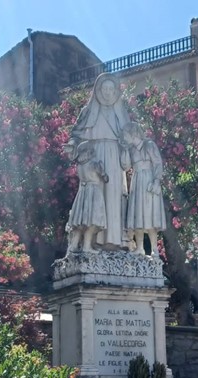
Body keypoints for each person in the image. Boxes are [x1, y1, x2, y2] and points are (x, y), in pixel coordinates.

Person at [70, 73, 131, 249]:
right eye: (105, 89)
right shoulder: (88, 111)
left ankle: (113, 240)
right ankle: (91, 241)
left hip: (114, 155)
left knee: (113, 196)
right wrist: (73, 145)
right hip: (93, 155)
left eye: (111, 89)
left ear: (115, 91)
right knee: (94, 198)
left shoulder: (121, 112)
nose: (108, 92)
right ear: (98, 90)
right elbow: (75, 134)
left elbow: (129, 135)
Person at [121, 122, 166, 256]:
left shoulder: (149, 145)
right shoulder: (131, 149)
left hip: (148, 180)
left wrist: (156, 180)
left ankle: (154, 249)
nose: (124, 137)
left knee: (150, 214)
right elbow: (126, 166)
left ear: (132, 133)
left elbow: (158, 163)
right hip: (137, 181)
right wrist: (125, 150)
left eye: (126, 135)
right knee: (137, 214)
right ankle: (139, 248)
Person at [65, 141, 107, 253]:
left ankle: (73, 246)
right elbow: (105, 178)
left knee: (80, 221)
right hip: (94, 192)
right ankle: (87, 246)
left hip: (83, 192)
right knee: (92, 221)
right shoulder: (94, 164)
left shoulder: (80, 165)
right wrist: (103, 172)